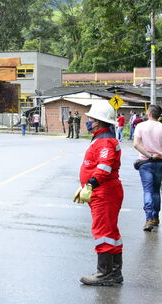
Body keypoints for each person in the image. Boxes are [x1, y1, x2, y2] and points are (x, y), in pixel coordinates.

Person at [73, 101, 123, 286]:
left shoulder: (105, 142)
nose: (88, 121)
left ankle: (104, 274)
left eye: (90, 119)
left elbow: (104, 166)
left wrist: (90, 184)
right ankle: (115, 273)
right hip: (104, 191)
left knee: (103, 232)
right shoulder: (102, 138)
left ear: (99, 122)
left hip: (104, 192)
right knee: (111, 233)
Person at [132, 104, 162, 231]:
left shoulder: (140, 126)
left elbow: (136, 144)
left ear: (149, 113)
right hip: (160, 162)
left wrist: (150, 155)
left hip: (145, 162)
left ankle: (149, 219)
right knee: (156, 190)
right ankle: (156, 217)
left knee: (148, 190)